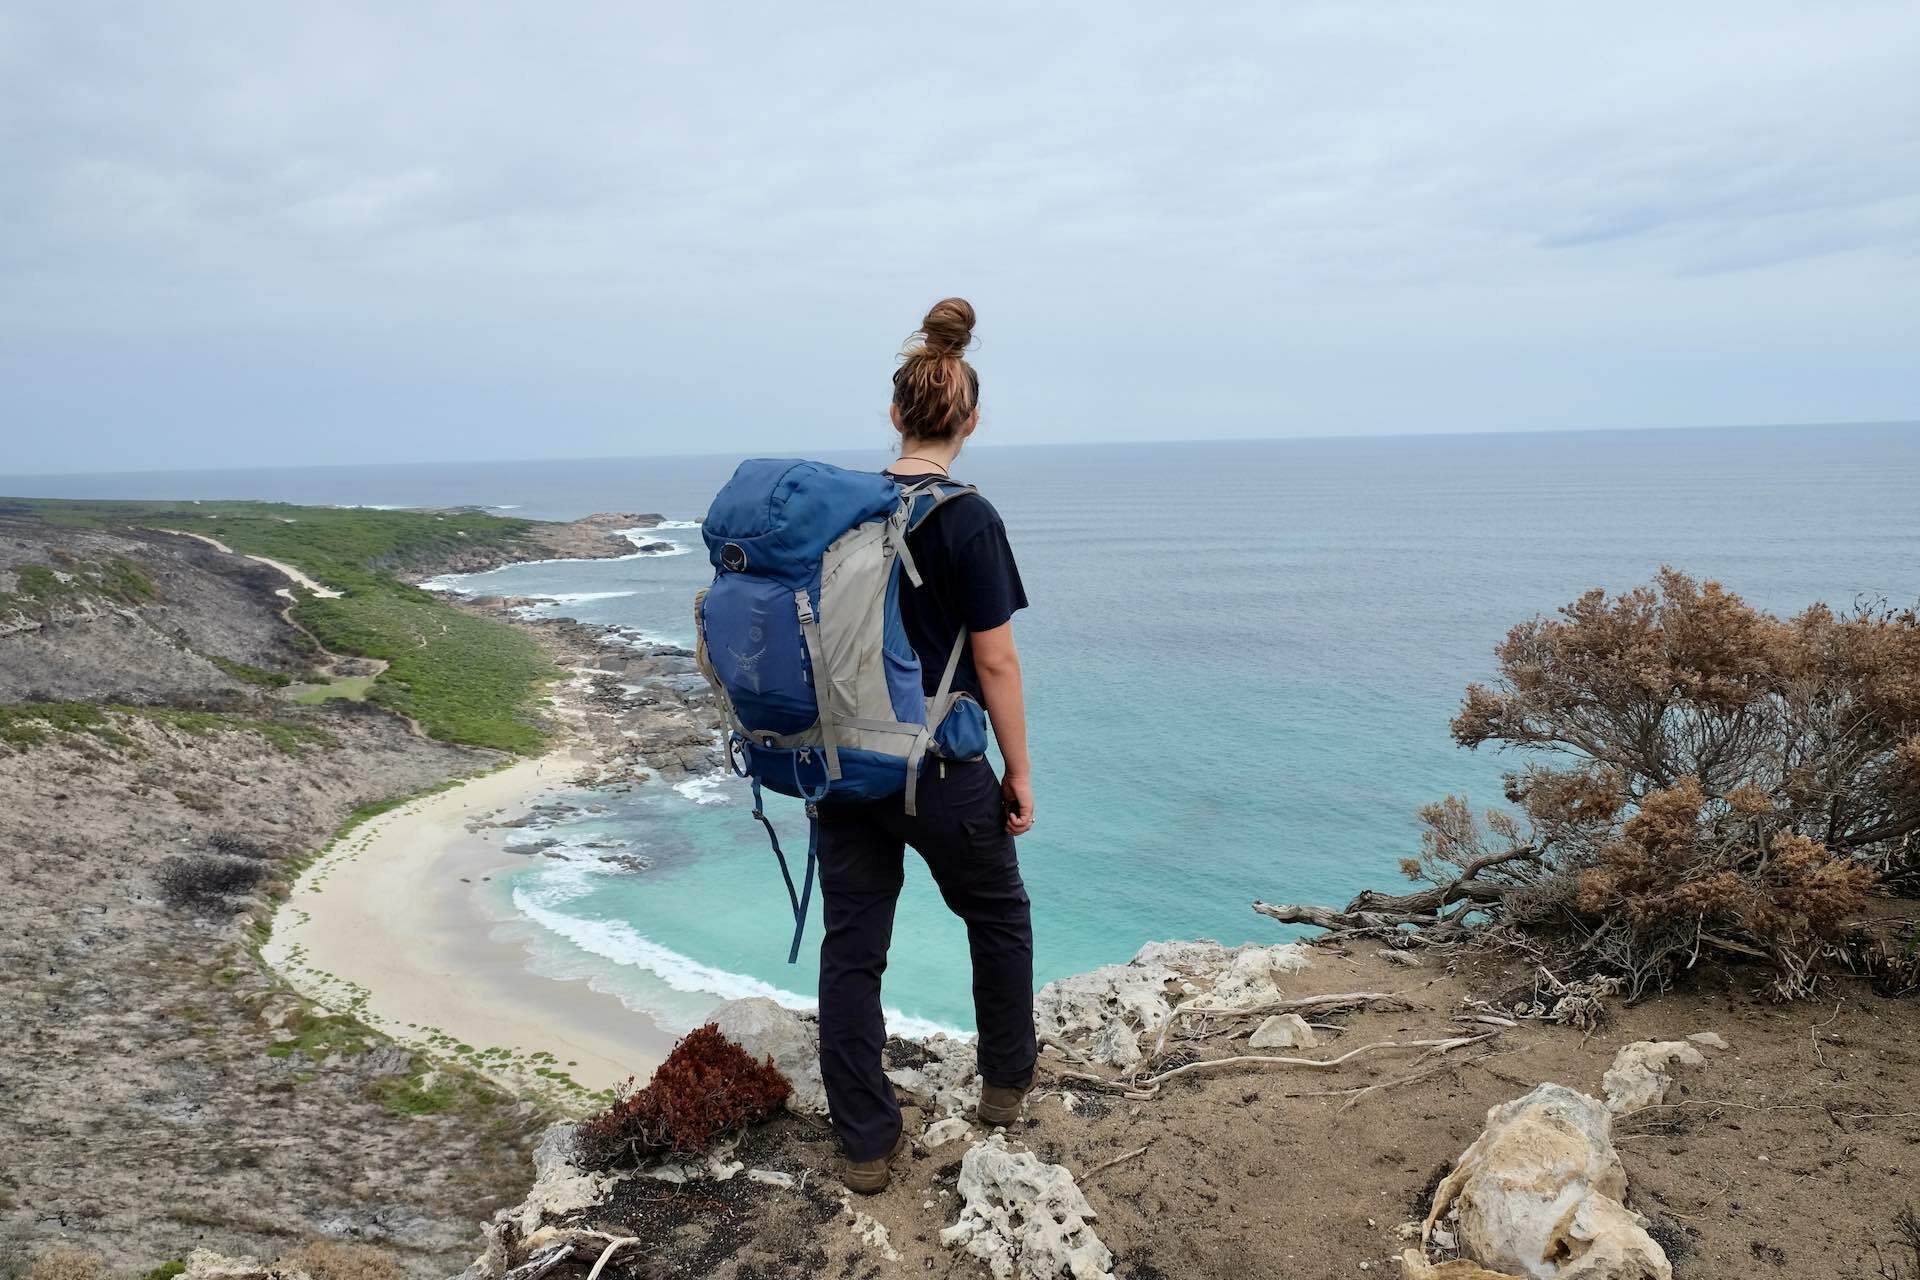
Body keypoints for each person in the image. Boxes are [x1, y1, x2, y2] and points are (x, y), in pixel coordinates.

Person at [817, 297, 1038, 1194]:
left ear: (897, 413)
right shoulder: (968, 518)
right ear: (970, 420)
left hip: (843, 768)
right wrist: (1018, 772)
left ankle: (866, 1145)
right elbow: (997, 659)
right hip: (941, 769)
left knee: (854, 947)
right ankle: (1004, 1089)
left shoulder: (844, 512)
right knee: (997, 915)